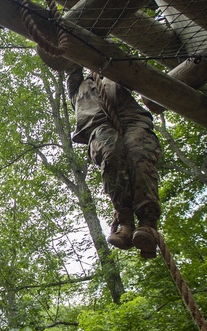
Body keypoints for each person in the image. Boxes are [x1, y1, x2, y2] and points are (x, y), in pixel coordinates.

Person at [65, 65, 162, 258]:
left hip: (132, 119)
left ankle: (148, 225)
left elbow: (125, 65)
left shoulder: (111, 73)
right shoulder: (78, 87)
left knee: (139, 155)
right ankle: (125, 222)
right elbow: (69, 65)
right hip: (98, 126)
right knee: (111, 155)